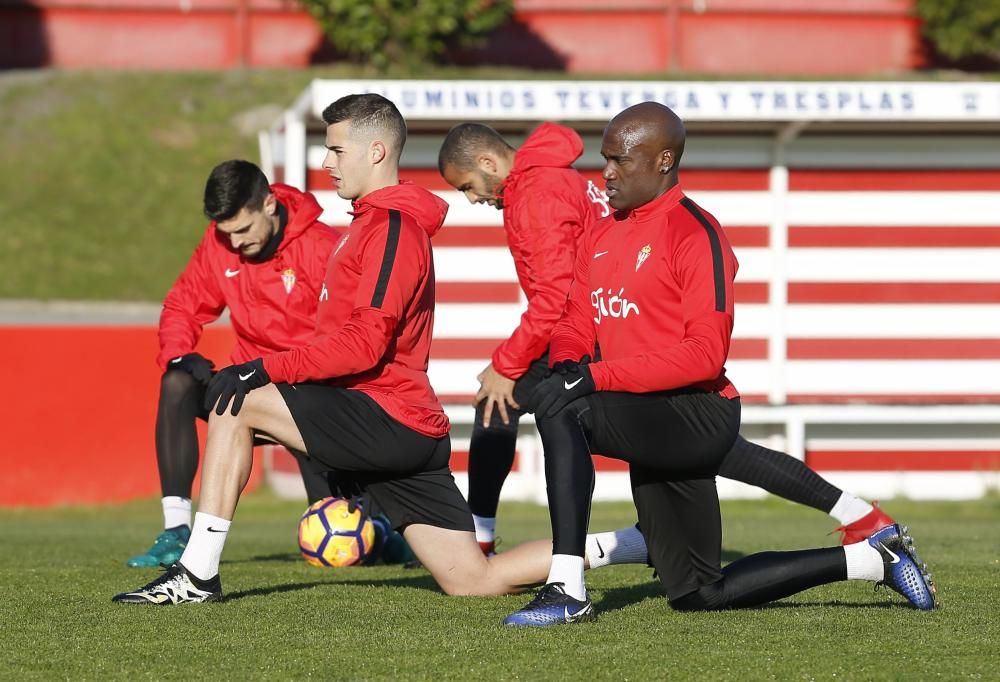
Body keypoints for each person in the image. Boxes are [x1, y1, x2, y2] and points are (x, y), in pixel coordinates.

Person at [111, 94, 626, 606]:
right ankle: (633, 543)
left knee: (236, 402)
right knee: (474, 579)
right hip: (401, 424)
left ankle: (197, 574)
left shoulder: (392, 229)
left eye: (336, 150)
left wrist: (263, 368)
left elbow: (364, 344)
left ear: (376, 152)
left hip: (386, 416)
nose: (327, 163)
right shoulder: (369, 223)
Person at [503, 102, 937, 626]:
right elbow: (576, 317)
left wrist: (590, 377)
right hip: (647, 415)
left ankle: (567, 588)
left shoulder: (697, 234)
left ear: (664, 160)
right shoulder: (601, 230)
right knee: (699, 593)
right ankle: (872, 560)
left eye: (620, 160)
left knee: (565, 409)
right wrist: (570, 360)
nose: (607, 172)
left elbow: (705, 355)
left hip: (697, 413)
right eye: (604, 159)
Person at [437, 122, 900, 560]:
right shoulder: (558, 178)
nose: (472, 199)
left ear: (488, 162)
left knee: (503, 402)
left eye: (467, 186)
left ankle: (501, 546)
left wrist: (507, 361)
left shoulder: (535, 195)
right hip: (611, 320)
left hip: (597, 328)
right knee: (717, 451)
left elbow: (556, 297)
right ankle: (859, 514)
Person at [127, 159, 340, 568]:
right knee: (177, 382)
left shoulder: (322, 247)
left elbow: (348, 338)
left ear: (270, 205)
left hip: (311, 396)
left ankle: (382, 529)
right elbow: (182, 306)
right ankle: (175, 532)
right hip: (245, 390)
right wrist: (181, 354)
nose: (236, 243)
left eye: (243, 230)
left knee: (343, 538)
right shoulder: (219, 242)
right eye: (227, 233)